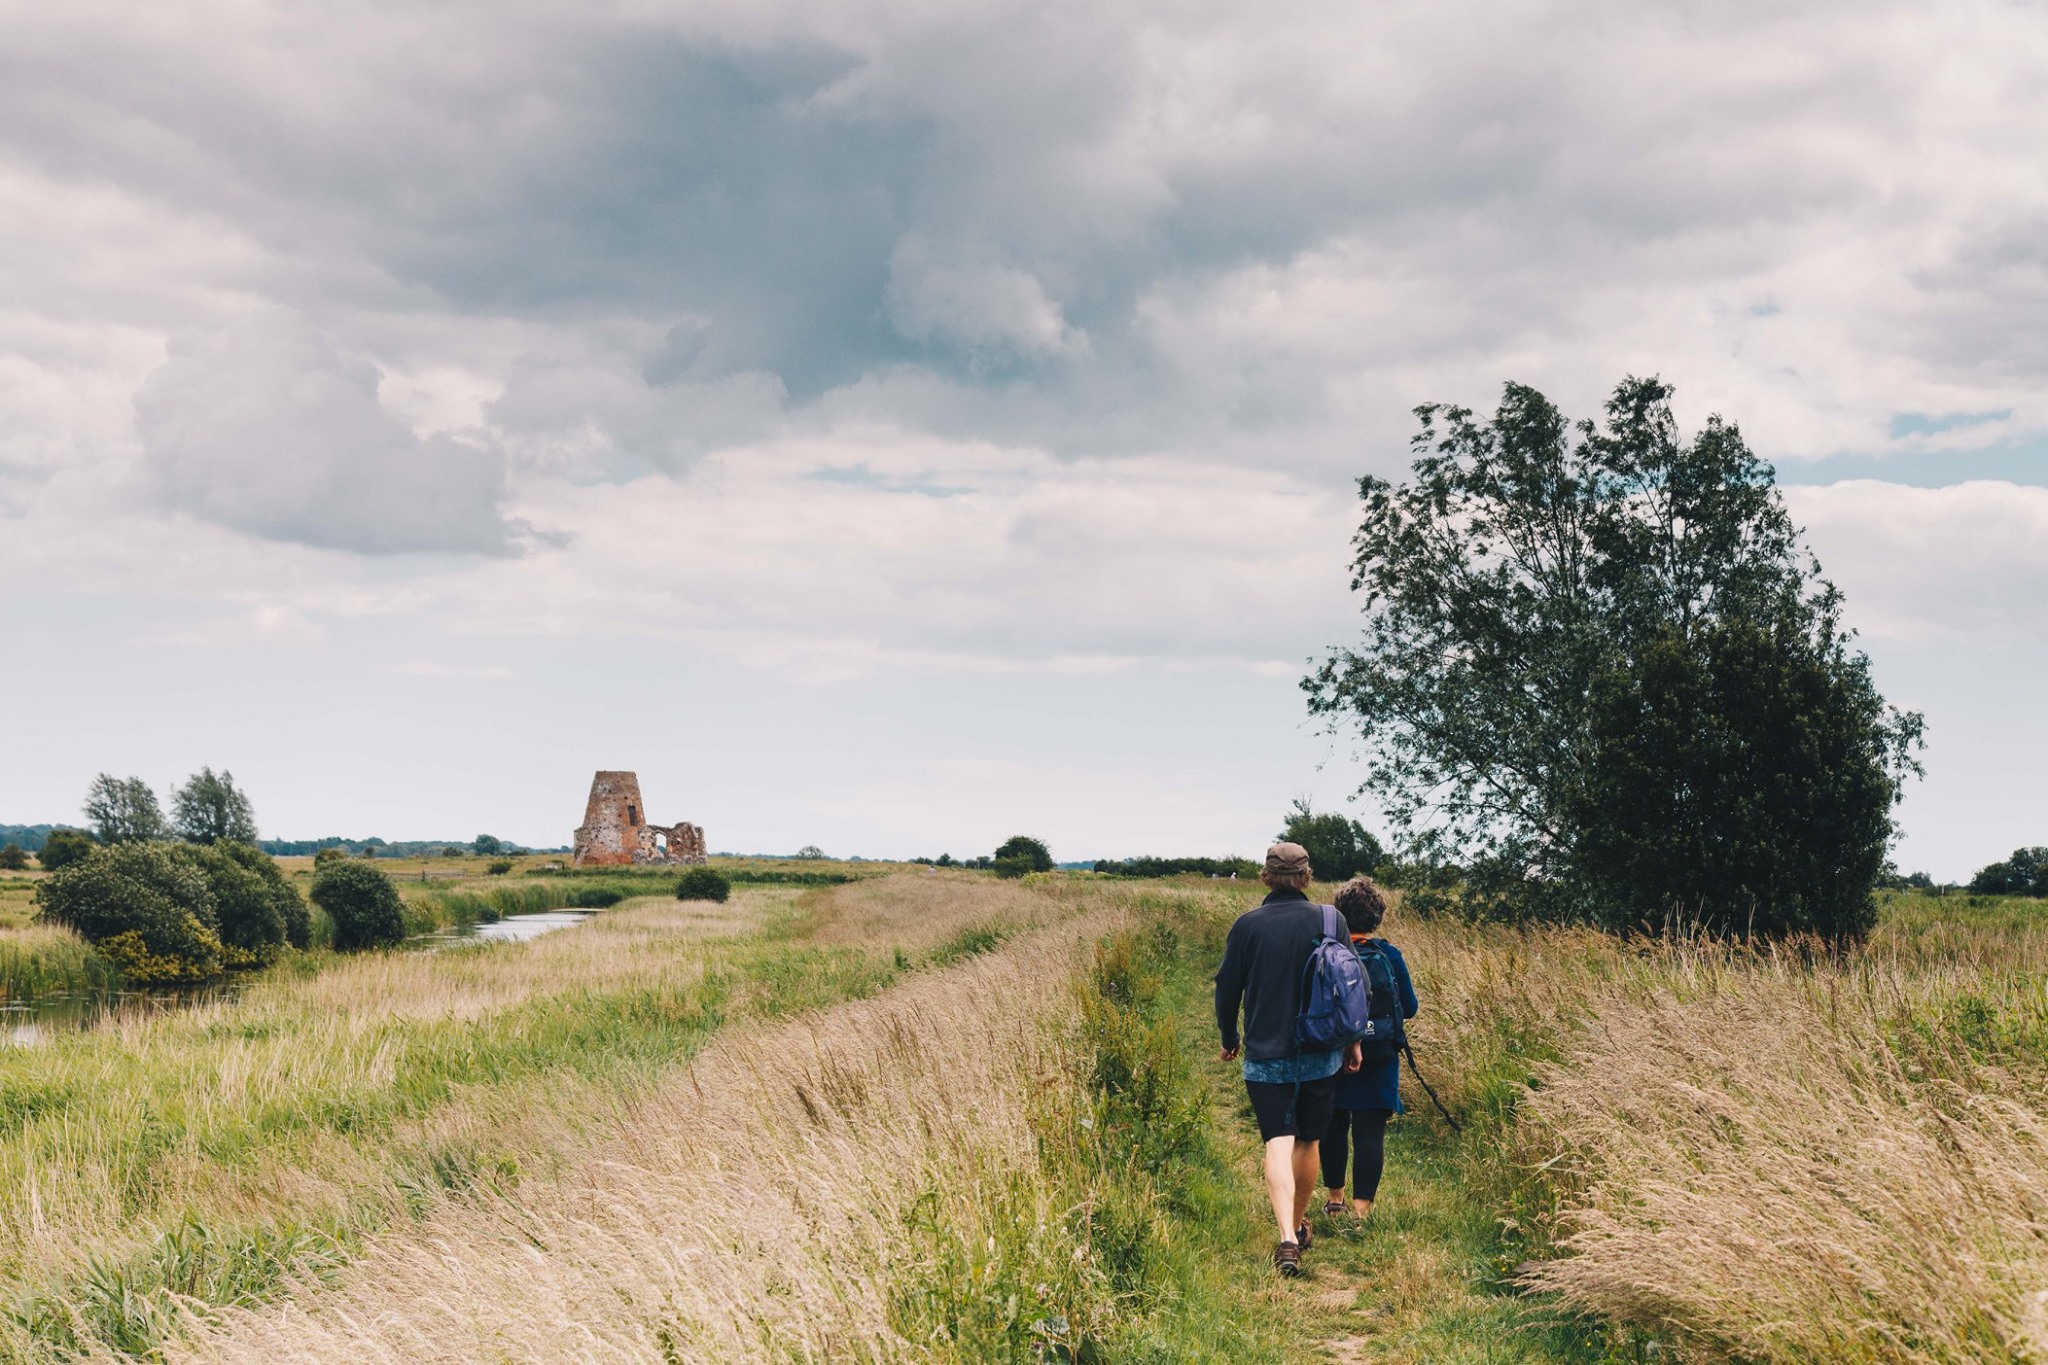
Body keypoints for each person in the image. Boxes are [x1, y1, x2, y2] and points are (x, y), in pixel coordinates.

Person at [1214, 842, 1363, 1276]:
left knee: (1277, 1140)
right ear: (1306, 876)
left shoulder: (1247, 926)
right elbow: (1355, 985)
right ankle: (1298, 1225)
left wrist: (1229, 1035)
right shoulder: (1331, 919)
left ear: (1266, 876)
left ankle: (1285, 1237)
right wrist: (1352, 1041)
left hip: (1265, 1050)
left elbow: (1227, 988)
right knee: (1308, 1140)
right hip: (1319, 1048)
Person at [1320, 875, 1417, 1222]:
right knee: (1369, 1133)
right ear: (1376, 917)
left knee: (1333, 1127)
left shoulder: (1329, 955)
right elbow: (1410, 1006)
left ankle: (1335, 1200)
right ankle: (1361, 1212)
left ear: (1339, 915)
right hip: (1379, 1058)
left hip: (1334, 1054)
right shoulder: (1389, 955)